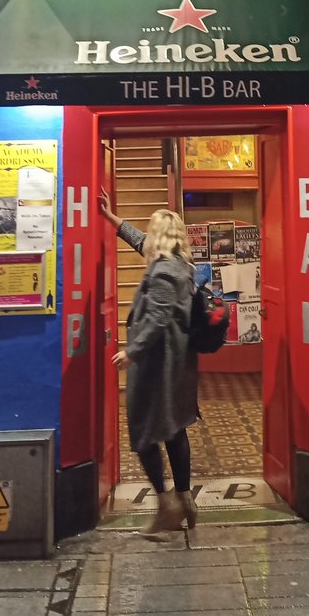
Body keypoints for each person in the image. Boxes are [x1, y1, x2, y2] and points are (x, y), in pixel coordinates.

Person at [100, 188, 198, 536]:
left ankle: (166, 505)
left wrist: (133, 351)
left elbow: (157, 317)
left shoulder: (162, 273)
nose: (147, 236)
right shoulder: (180, 265)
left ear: (159, 235)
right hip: (178, 364)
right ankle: (185, 499)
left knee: (143, 434)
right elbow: (140, 241)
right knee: (174, 429)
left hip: (158, 366)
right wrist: (113, 219)